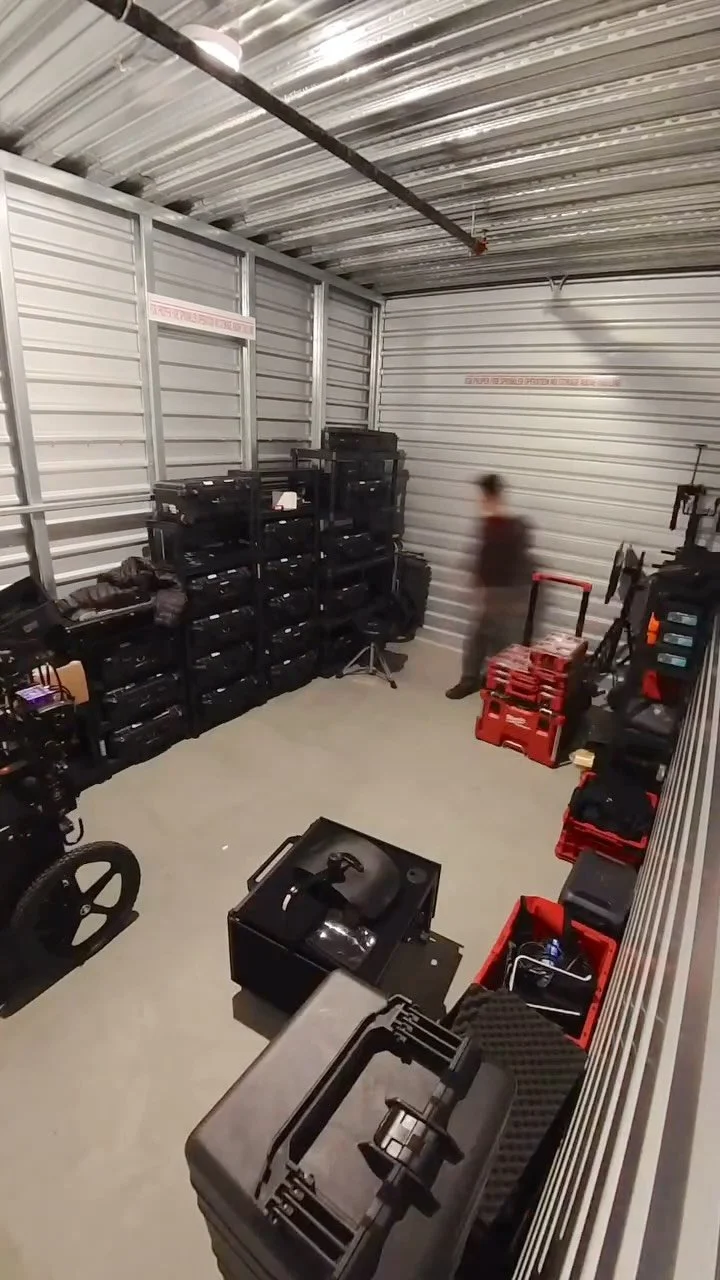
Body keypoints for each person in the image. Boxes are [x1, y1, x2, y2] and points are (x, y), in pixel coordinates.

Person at [445, 473, 533, 699]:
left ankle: (490, 684)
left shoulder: (505, 525)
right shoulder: (491, 522)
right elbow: (484, 558)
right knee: (484, 639)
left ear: (489, 495)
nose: (479, 499)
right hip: (493, 592)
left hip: (499, 594)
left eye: (482, 494)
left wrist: (500, 596)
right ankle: (481, 681)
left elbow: (511, 563)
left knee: (493, 641)